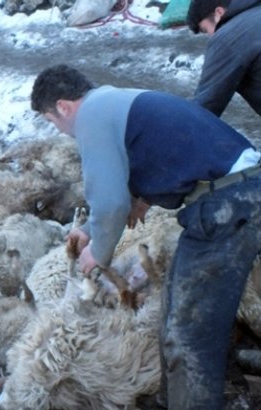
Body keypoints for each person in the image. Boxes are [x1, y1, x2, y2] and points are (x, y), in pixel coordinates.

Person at [31, 64, 261, 410]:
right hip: (237, 192)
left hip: (228, 205)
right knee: (174, 312)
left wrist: (99, 252)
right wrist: (128, 206)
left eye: (52, 122)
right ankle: (194, 397)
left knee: (189, 333)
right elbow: (158, 154)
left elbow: (109, 202)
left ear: (64, 107)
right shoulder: (113, 100)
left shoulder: (90, 117)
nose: (61, 132)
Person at [186, 0, 261, 117]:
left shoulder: (227, 37)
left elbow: (206, 105)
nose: (210, 36)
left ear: (219, 12)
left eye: (206, 30)